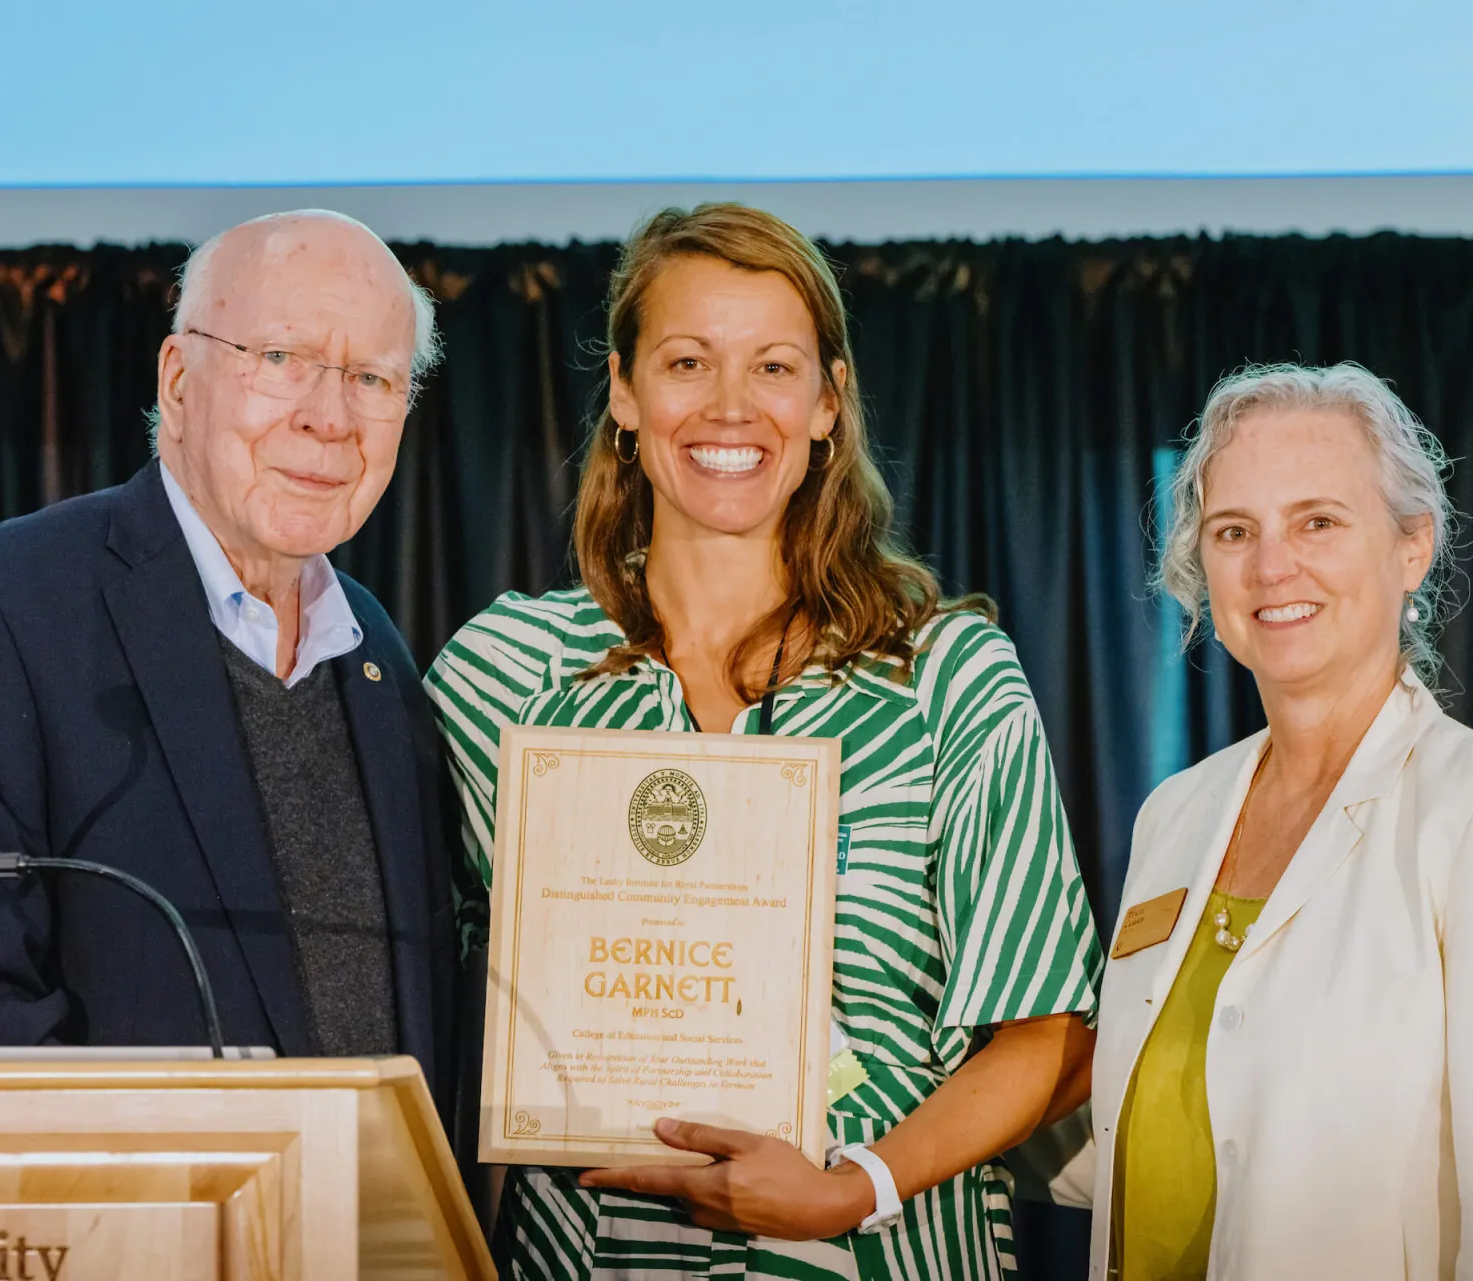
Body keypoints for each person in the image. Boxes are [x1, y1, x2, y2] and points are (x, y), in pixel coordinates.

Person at [425, 203, 1102, 1279]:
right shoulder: (501, 679)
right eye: (687, 362)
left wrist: (854, 1185)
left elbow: (1051, 1034)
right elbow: (395, 986)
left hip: (887, 1254)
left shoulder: (944, 678)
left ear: (828, 403)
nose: (730, 406)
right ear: (624, 393)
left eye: (774, 367)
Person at [0, 211, 457, 1084]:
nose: (330, 418)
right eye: (281, 359)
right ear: (179, 380)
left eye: (372, 377)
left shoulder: (379, 659)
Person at [1089, 363, 1473, 1279]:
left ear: (1413, 546)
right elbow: (1142, 1123)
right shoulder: (1175, 813)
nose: (1271, 567)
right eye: (1234, 530)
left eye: (1318, 522)